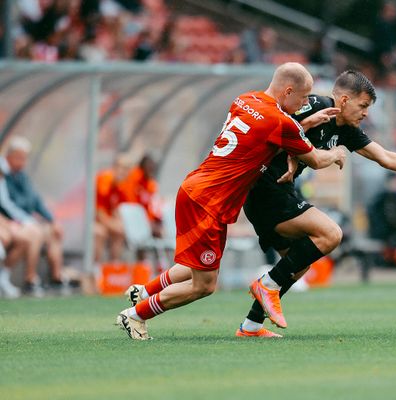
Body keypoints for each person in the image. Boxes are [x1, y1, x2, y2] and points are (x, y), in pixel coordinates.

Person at [115, 62, 347, 340]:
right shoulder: (281, 122)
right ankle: (136, 315)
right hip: (208, 202)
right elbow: (316, 158)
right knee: (204, 285)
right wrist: (336, 154)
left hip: (195, 189)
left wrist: (305, 123)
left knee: (196, 265)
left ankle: (144, 292)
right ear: (288, 91)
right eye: (303, 97)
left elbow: (264, 134)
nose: (305, 103)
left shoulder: (245, 99)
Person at [235, 70, 396, 337]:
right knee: (331, 234)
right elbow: (274, 126)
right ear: (342, 100)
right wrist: (297, 145)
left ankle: (251, 325)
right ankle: (267, 284)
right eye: (363, 106)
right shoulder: (314, 105)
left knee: (297, 263)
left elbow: (385, 156)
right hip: (265, 189)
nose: (365, 113)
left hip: (282, 193)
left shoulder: (348, 131)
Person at [1, 136, 65, 295]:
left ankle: (57, 276)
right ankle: (30, 278)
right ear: (8, 157)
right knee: (33, 233)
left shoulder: (22, 176)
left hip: (21, 221)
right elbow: (7, 205)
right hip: (13, 221)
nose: (22, 162)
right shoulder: (5, 175)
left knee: (52, 231)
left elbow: (36, 201)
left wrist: (52, 220)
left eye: (24, 158)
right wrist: (26, 221)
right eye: (18, 158)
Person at [95, 154, 131, 263]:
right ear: (114, 167)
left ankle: (114, 267)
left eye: (127, 169)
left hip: (99, 220)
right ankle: (94, 270)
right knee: (100, 232)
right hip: (79, 219)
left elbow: (116, 210)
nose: (124, 172)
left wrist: (120, 224)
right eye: (122, 168)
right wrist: (114, 226)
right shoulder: (105, 180)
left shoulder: (118, 187)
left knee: (120, 230)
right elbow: (98, 213)